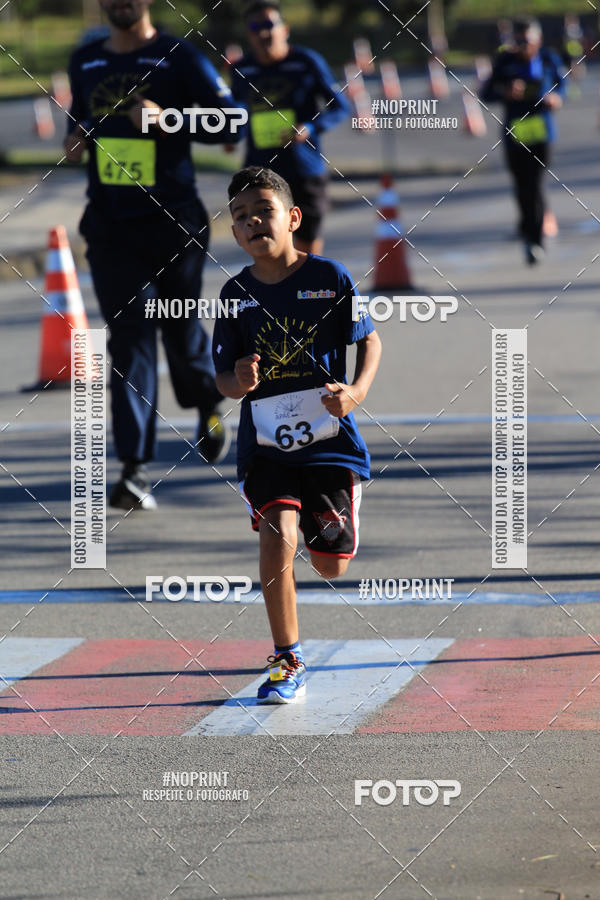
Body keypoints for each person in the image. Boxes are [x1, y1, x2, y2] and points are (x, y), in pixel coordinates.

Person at [213, 167, 381, 703]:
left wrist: (355, 391)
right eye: (240, 215)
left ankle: (332, 512)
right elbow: (220, 376)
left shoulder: (329, 277)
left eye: (262, 209)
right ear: (234, 231)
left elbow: (371, 342)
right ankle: (288, 656)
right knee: (278, 535)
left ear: (292, 217)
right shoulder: (234, 293)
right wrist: (235, 381)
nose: (251, 221)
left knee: (331, 565)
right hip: (266, 448)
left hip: (330, 443)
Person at [64, 0, 241, 510]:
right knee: (129, 339)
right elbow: (79, 122)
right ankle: (134, 468)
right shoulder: (86, 59)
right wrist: (74, 140)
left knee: (180, 329)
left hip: (174, 223)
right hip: (110, 224)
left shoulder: (179, 56)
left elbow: (231, 124)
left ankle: (207, 399)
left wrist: (172, 120)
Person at [229, 0, 351, 256]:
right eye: (255, 27)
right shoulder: (242, 70)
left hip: (304, 168)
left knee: (306, 248)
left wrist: (310, 127)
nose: (263, 33)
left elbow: (340, 106)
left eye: (269, 25)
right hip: (260, 170)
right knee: (267, 245)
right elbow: (236, 111)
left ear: (285, 29)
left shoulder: (306, 62)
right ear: (248, 34)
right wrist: (230, 132)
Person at [481, 17, 566, 265]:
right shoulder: (505, 61)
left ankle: (535, 238)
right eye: (517, 41)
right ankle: (527, 229)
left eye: (526, 41)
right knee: (521, 186)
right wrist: (505, 92)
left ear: (537, 39)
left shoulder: (549, 59)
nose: (522, 45)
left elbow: (563, 84)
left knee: (536, 184)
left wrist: (556, 98)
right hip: (515, 131)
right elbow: (486, 92)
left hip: (541, 130)